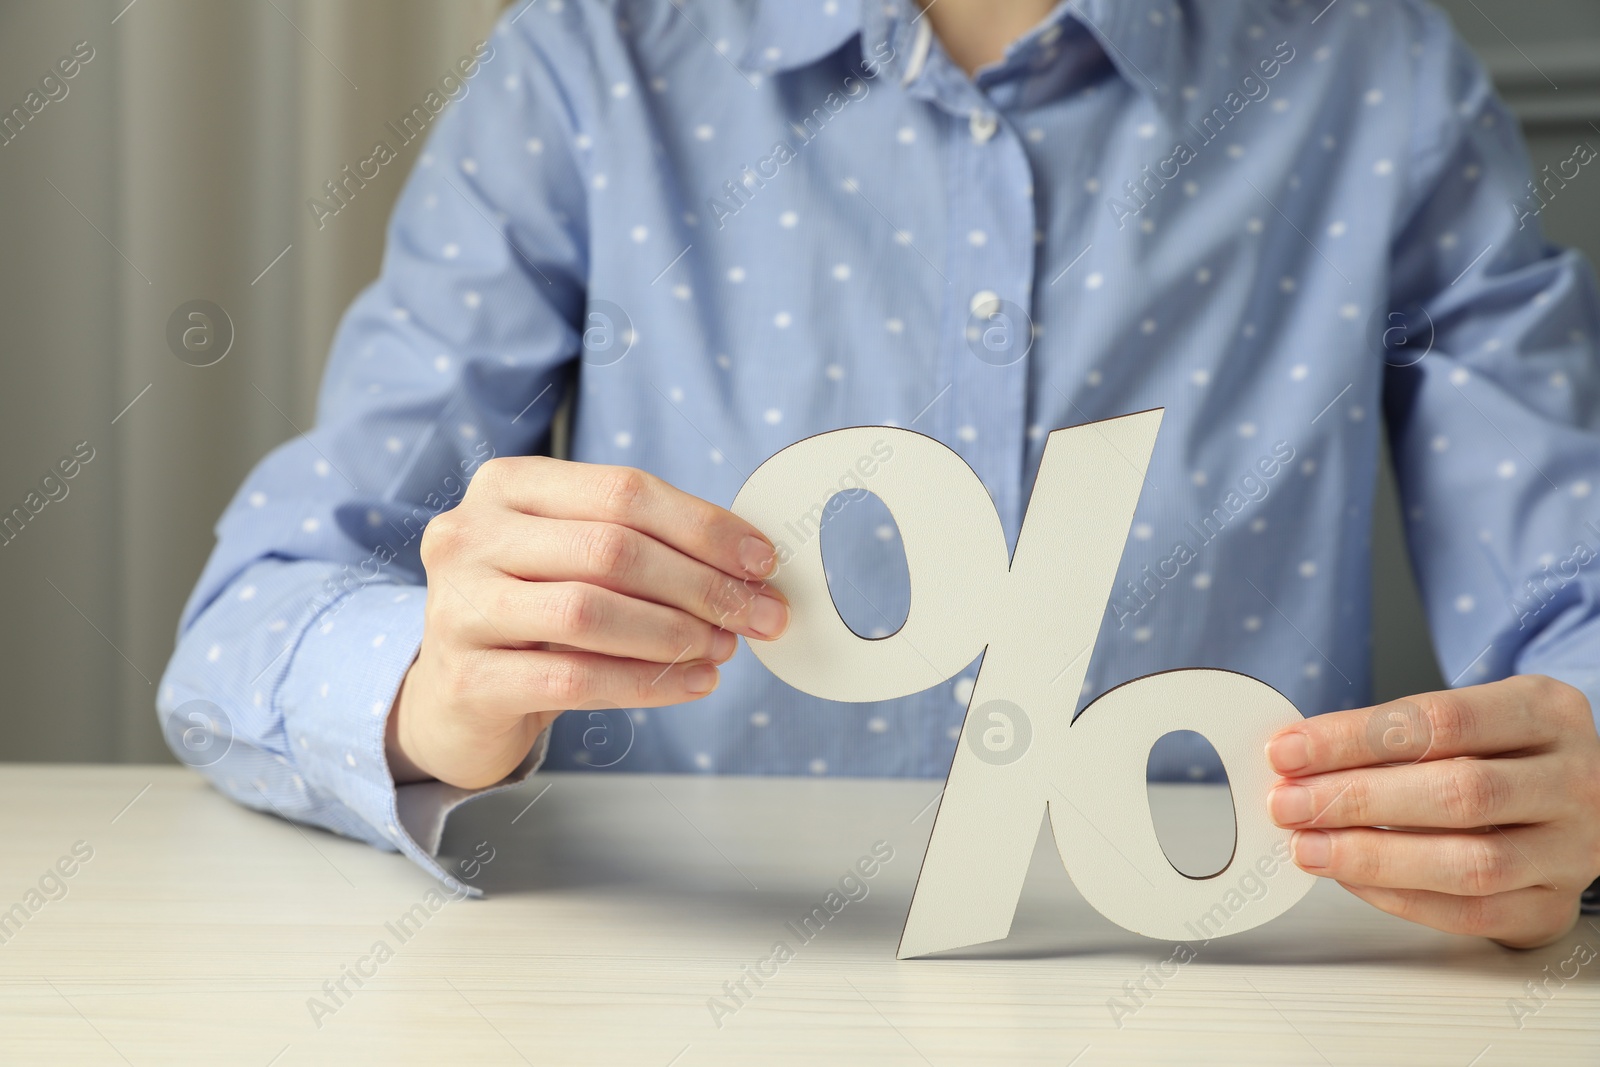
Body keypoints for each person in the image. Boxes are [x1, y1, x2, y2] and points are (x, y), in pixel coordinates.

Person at [159, 0, 1600, 950]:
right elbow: (253, 621)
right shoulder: (592, 55)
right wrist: (437, 695)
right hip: (634, 984)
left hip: (1216, 996)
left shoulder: (1385, 78)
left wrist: (1579, 784)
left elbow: (1571, 609)